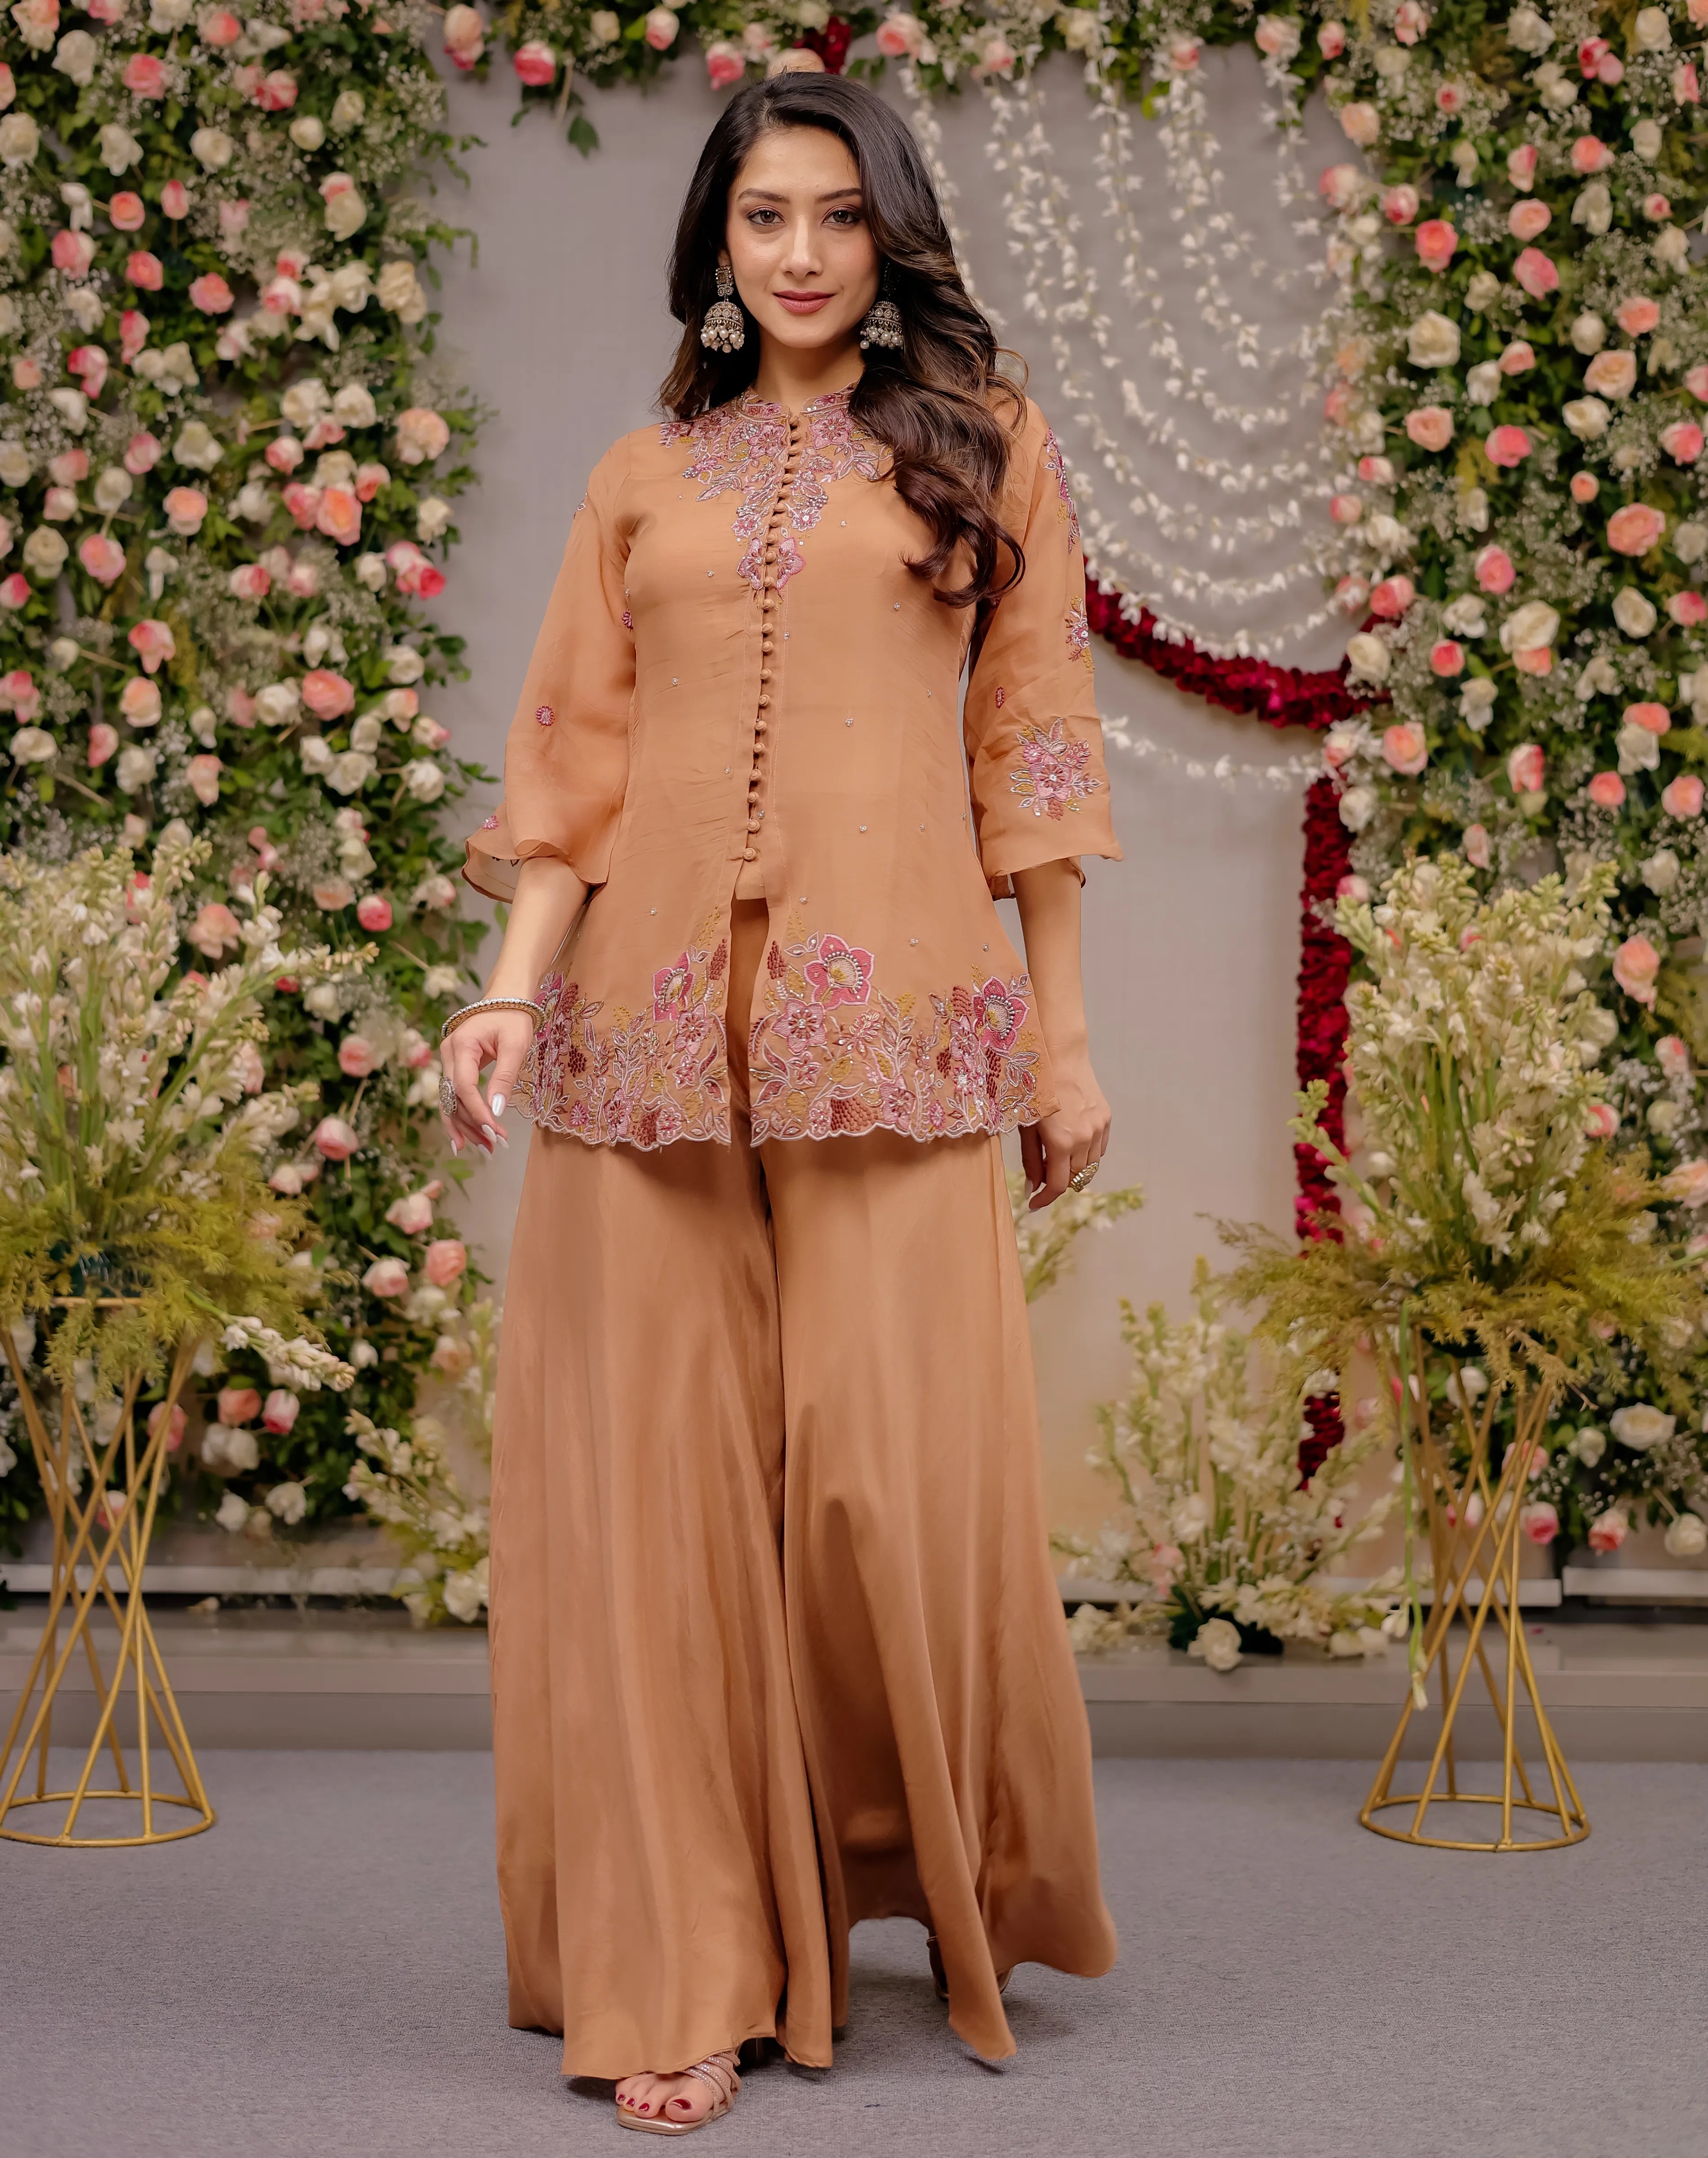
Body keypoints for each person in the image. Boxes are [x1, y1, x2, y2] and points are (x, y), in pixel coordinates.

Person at [445, 67, 1121, 2137]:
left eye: (837, 214)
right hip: (639, 1044)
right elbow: (572, 770)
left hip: (896, 1031)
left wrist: (1061, 1033)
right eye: (763, 219)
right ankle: (673, 1965)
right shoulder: (640, 472)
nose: (803, 252)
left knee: (872, 1494)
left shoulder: (977, 456)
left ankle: (887, 1876)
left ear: (884, 235)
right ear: (719, 252)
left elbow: (1035, 748)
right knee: (646, 1514)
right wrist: (500, 998)